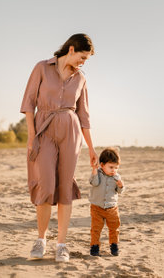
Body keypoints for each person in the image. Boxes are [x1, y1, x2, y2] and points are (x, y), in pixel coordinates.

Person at [20, 33, 98, 262]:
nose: (84, 62)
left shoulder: (81, 79)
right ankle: (40, 240)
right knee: (45, 185)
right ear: (72, 49)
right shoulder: (42, 68)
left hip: (71, 133)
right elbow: (28, 104)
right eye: (83, 57)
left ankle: (61, 245)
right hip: (44, 130)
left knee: (65, 188)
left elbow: (84, 116)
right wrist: (31, 135)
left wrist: (92, 149)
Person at [88, 147, 125, 257]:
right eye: (111, 167)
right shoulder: (97, 174)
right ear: (102, 165)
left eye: (116, 167)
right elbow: (93, 183)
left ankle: (114, 245)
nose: (114, 170)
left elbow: (119, 191)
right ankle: (94, 246)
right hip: (97, 207)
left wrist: (121, 186)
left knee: (114, 228)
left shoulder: (117, 177)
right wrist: (94, 170)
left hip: (112, 208)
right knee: (96, 228)